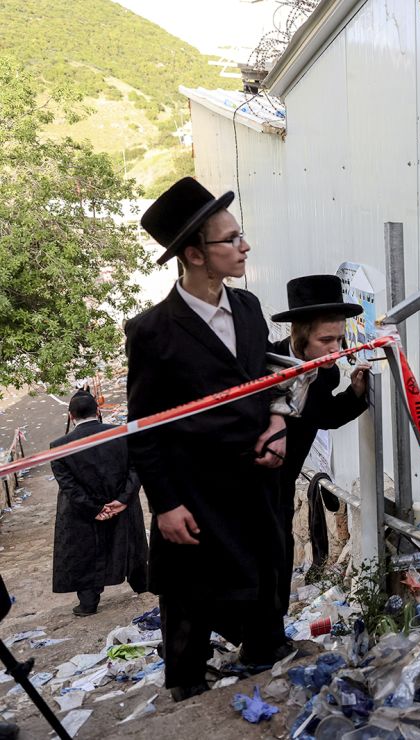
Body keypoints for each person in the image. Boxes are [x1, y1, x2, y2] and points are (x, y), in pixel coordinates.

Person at [125, 177, 289, 702]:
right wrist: (165, 504)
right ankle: (189, 688)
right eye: (231, 239)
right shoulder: (153, 331)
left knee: (264, 569)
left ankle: (264, 655)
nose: (245, 247)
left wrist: (278, 420)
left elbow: (269, 378)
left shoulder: (247, 307)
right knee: (190, 591)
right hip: (193, 487)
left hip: (252, 475)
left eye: (241, 236)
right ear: (195, 254)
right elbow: (143, 429)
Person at [271, 275, 369, 609]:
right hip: (241, 481)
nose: (336, 350)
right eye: (326, 339)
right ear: (299, 335)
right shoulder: (263, 366)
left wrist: (355, 394)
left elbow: (323, 415)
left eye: (340, 339)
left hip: (282, 484)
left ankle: (272, 637)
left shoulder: (327, 372)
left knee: (278, 561)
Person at [49, 390, 148, 616]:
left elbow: (68, 485)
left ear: (71, 416)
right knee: (130, 547)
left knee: (87, 554)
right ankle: (143, 587)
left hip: (83, 514)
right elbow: (137, 468)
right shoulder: (122, 434)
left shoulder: (59, 446)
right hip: (122, 507)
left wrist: (94, 508)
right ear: (98, 410)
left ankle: (88, 604)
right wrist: (123, 500)